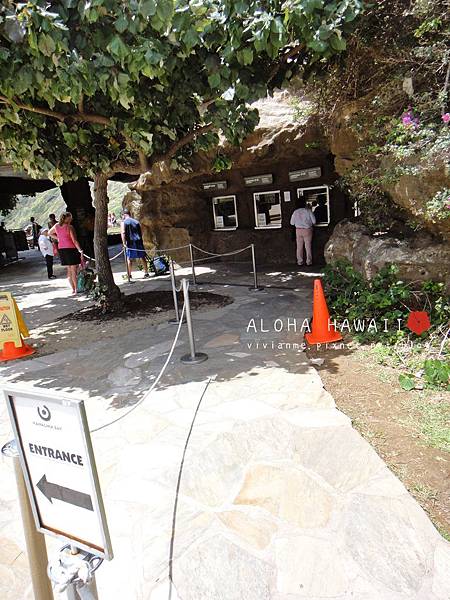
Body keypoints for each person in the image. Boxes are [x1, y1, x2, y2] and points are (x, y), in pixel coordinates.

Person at [49, 212, 83, 294]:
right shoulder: (69, 227)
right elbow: (74, 240)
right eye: (70, 217)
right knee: (74, 270)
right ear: (67, 218)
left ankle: (73, 289)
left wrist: (58, 238)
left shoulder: (56, 226)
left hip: (62, 249)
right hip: (71, 249)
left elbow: (49, 233)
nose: (71, 219)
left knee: (69, 270)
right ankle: (76, 289)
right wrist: (80, 250)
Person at [120, 209, 149, 279]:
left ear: (124, 215)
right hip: (138, 241)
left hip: (130, 242)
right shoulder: (136, 222)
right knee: (142, 257)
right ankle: (146, 273)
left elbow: (123, 233)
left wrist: (124, 243)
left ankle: (129, 275)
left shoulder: (123, 222)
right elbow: (140, 232)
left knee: (129, 258)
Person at [290, 198, 316, 266]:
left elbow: (292, 223)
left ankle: (300, 261)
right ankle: (309, 262)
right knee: (308, 246)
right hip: (307, 230)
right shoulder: (308, 211)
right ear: (304, 203)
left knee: (299, 247)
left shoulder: (295, 212)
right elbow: (314, 221)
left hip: (298, 230)